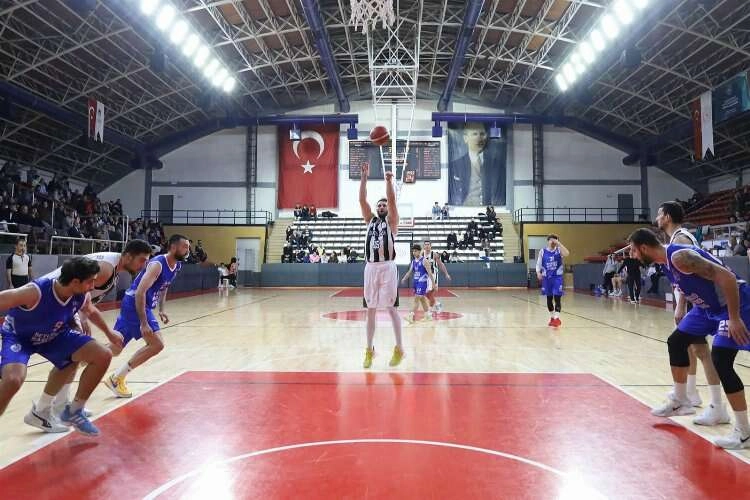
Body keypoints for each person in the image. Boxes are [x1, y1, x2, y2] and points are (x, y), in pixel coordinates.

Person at [628, 228, 747, 449]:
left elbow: (728, 278)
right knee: (677, 342)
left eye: (634, 251)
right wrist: (681, 305)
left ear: (644, 248)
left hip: (734, 304)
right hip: (706, 308)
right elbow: (684, 283)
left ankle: (744, 432)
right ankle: (681, 400)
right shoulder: (665, 262)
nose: (633, 256)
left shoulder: (680, 257)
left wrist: (734, 317)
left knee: (721, 360)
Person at [25, 241, 152, 431]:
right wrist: (82, 318)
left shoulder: (112, 267)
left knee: (74, 356)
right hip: (48, 304)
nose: (143, 265)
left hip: (57, 305)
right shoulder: (105, 269)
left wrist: (82, 317)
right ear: (127, 256)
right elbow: (77, 293)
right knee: (74, 355)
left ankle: (60, 406)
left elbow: (84, 299)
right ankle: (44, 409)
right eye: (142, 260)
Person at [0, 257, 116, 436]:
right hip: (19, 337)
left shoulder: (81, 295)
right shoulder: (35, 292)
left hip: (53, 335)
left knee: (102, 355)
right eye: (90, 281)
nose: (93, 286)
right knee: (13, 380)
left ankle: (73, 411)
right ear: (75, 282)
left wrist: (107, 333)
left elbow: (88, 311)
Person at [655, 201, 726, 424]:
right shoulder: (677, 238)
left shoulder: (681, 240)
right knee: (691, 347)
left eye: (659, 214)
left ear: (667, 217)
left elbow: (691, 276)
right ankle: (691, 392)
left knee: (703, 352)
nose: (657, 218)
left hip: (698, 301)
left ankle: (712, 402)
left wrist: (681, 304)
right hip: (694, 300)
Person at [103, 235, 189, 398]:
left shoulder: (176, 265)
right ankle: (117, 378)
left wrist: (162, 309)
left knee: (116, 347)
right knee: (157, 344)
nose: (188, 250)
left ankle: (82, 356)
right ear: (173, 247)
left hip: (133, 304)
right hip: (135, 304)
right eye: (185, 246)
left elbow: (164, 287)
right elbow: (140, 292)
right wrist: (143, 322)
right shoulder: (157, 264)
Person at [359, 163, 403, 369]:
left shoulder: (392, 222)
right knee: (370, 310)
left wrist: (388, 182)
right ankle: (369, 350)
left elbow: (392, 200)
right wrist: (364, 178)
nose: (382, 207)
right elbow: (362, 200)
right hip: (370, 268)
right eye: (380, 205)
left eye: (384, 205)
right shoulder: (370, 221)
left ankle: (399, 348)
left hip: (387, 267)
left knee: (391, 308)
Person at [448, 123, 506, 206]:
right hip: (465, 209)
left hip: (489, 208)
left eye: (482, 134)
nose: (479, 138)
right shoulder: (455, 166)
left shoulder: (497, 165)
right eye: (474, 134)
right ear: (465, 138)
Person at [536, 235, 569, 327]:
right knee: (549, 299)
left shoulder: (559, 250)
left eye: (555, 240)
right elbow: (538, 263)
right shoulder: (543, 251)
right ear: (548, 241)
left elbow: (567, 253)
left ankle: (557, 318)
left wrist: (558, 243)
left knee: (557, 297)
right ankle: (552, 317)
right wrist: (538, 272)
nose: (553, 242)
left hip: (557, 277)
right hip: (547, 278)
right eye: (552, 240)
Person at [400, 244, 434, 325]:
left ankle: (411, 315)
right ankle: (428, 316)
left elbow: (430, 273)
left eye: (415, 251)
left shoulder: (424, 260)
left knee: (416, 298)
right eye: (413, 251)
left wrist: (433, 283)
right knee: (422, 299)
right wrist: (404, 278)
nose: (414, 253)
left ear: (419, 251)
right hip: (416, 282)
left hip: (422, 282)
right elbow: (409, 272)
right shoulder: (413, 261)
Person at [422, 240, 452, 315]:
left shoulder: (434, 254)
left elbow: (441, 264)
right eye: (425, 245)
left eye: (428, 244)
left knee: (429, 292)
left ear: (431, 246)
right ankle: (437, 304)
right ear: (424, 246)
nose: (427, 246)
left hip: (433, 275)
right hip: (425, 275)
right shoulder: (422, 254)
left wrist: (446, 274)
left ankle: (430, 310)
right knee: (426, 293)